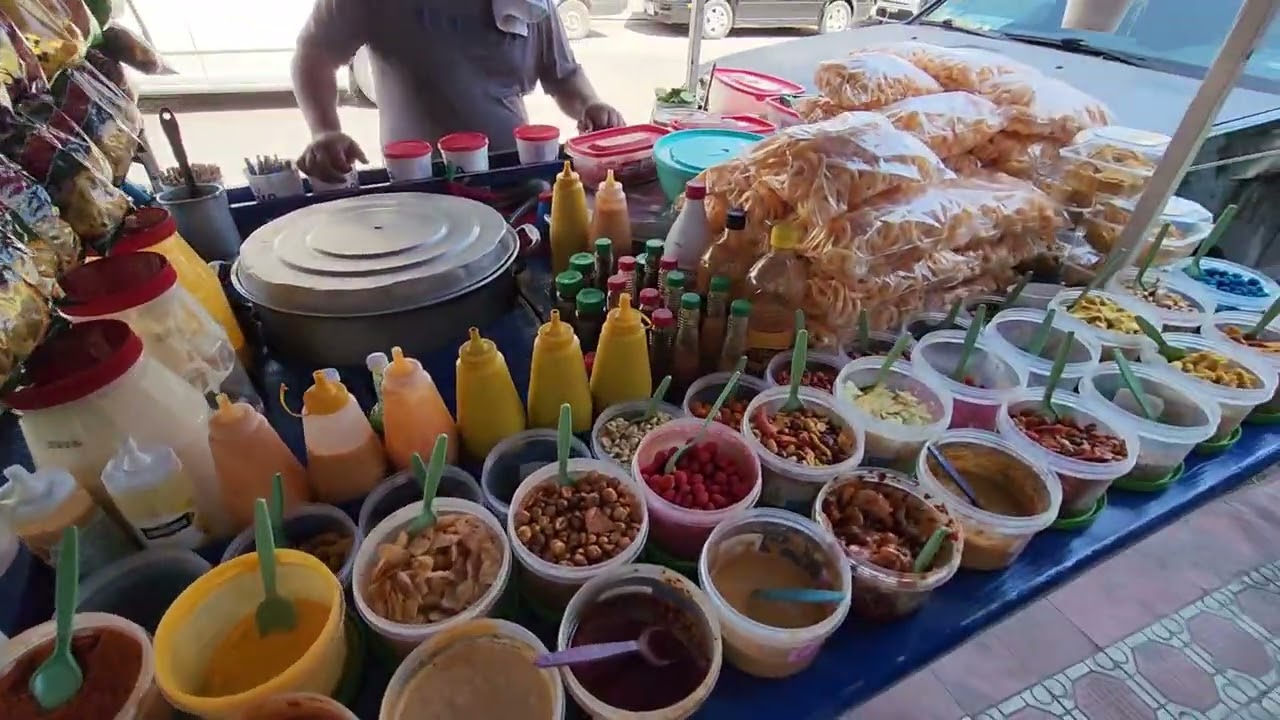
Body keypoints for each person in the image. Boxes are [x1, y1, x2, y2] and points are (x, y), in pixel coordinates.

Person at [292, 0, 625, 182]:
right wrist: (325, 131)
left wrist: (590, 104)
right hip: (421, 188)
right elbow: (314, 55)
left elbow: (563, 75)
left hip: (512, 179)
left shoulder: (532, 3)